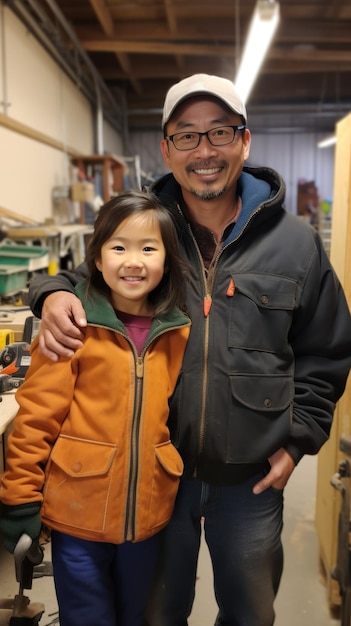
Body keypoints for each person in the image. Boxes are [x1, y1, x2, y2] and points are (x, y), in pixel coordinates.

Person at [27, 74, 351, 626]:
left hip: (252, 478)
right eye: (187, 136)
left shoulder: (295, 242)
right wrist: (50, 294)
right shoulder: (143, 225)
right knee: (156, 613)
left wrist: (298, 442)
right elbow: (81, 279)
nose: (205, 151)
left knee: (251, 614)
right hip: (156, 473)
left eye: (219, 132)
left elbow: (325, 350)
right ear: (166, 149)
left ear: (245, 141)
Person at [0, 190, 191, 626]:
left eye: (149, 248)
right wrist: (20, 502)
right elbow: (34, 420)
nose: (133, 261)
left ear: (166, 260)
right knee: (87, 618)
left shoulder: (178, 333)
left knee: (137, 615)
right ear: (98, 260)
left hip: (148, 519)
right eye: (119, 247)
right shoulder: (70, 328)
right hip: (76, 518)